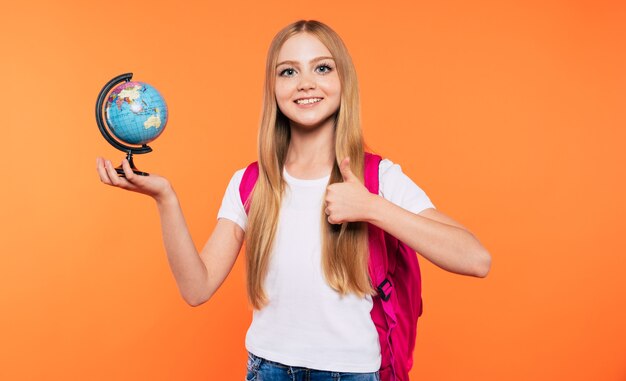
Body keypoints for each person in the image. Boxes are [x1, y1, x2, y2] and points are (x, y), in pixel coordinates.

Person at [96, 19, 491, 381]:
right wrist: (165, 198)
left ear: (344, 80)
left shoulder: (379, 179)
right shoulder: (251, 183)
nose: (305, 82)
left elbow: (475, 259)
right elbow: (196, 289)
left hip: (350, 373)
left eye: (322, 68)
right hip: (266, 369)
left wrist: (373, 207)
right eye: (289, 71)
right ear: (274, 88)